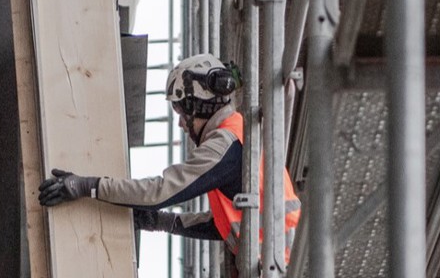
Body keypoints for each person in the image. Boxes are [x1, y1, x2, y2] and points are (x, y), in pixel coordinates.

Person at [38, 53, 300, 259]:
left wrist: (87, 186)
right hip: (280, 262)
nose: (181, 125)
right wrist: (163, 222)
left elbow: (158, 192)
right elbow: (228, 224)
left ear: (196, 105)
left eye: (181, 114)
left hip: (278, 268)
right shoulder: (238, 134)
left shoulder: (225, 144)